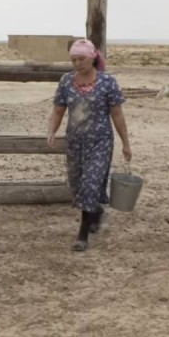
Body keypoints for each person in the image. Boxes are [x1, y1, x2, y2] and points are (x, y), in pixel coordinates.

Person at [47, 39, 132, 251]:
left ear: (92, 57)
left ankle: (82, 235)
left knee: (91, 184)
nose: (77, 63)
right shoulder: (66, 81)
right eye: (73, 59)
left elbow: (117, 114)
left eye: (81, 59)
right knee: (77, 186)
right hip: (75, 143)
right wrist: (52, 131)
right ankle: (97, 213)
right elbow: (58, 110)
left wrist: (125, 143)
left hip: (100, 142)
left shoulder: (107, 82)